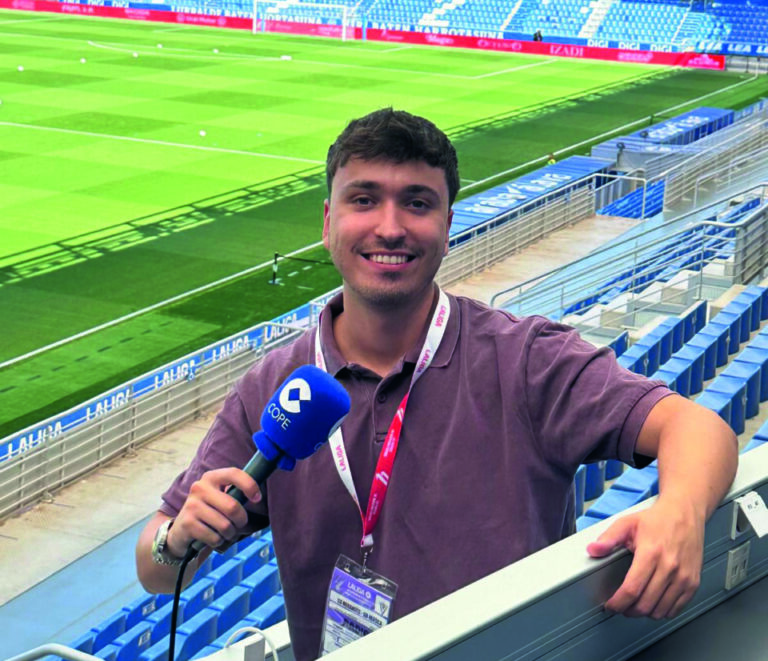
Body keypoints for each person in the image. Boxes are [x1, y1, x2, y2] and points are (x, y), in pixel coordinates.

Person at [136, 108, 738, 661]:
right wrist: (177, 538)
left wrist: (680, 509)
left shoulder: (523, 358)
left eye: (417, 203)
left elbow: (696, 427)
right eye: (364, 199)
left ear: (448, 224)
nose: (390, 228)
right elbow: (156, 567)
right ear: (328, 221)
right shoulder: (275, 385)